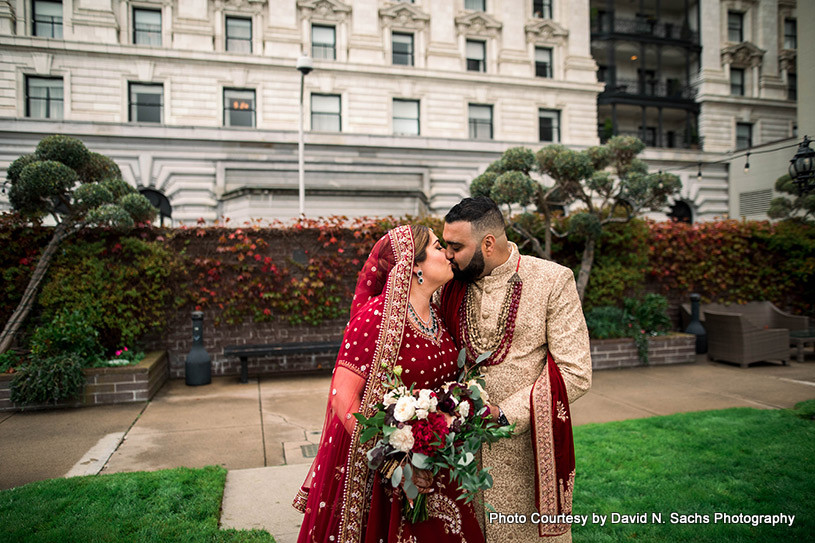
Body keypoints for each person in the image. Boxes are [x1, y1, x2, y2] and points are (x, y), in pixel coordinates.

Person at [293, 224, 485, 543]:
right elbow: (343, 399)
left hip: (437, 463)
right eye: (439, 248)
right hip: (386, 477)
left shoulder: (438, 316)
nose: (449, 254)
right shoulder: (374, 318)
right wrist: (397, 464)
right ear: (413, 266)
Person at [438, 197, 592, 543]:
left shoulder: (552, 280)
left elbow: (575, 370)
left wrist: (504, 414)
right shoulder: (447, 287)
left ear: (488, 243)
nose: (448, 254)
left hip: (528, 453)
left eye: (456, 246)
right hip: (461, 456)